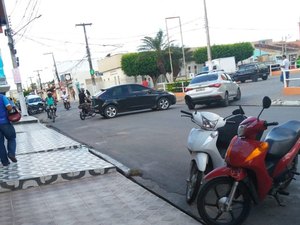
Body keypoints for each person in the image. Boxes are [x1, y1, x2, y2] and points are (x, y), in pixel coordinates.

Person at [0, 92, 17, 166]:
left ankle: (5, 162)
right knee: (11, 138)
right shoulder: (2, 97)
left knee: (0, 144)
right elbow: (9, 107)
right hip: (5, 122)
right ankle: (11, 153)